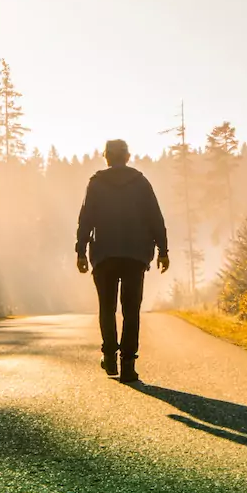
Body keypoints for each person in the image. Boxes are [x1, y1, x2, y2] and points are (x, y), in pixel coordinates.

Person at [75, 139, 169, 383]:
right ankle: (128, 365)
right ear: (127, 157)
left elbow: (85, 219)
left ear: (106, 157)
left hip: (104, 255)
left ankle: (109, 357)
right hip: (134, 256)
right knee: (131, 310)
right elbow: (155, 217)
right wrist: (163, 250)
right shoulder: (141, 183)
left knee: (107, 308)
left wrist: (81, 252)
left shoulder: (95, 183)